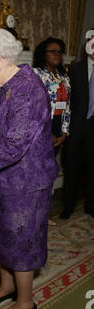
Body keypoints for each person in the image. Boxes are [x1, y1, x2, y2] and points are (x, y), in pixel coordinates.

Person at [0, 28, 59, 309]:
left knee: (21, 244)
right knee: (0, 235)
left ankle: (26, 302)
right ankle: (7, 287)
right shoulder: (5, 86)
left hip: (26, 183)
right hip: (3, 179)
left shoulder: (27, 91)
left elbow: (12, 146)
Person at [33, 37, 71, 225]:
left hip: (58, 126)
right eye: (52, 51)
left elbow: (67, 107)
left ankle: (44, 213)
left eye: (59, 51)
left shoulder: (63, 76)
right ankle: (34, 213)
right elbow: (34, 108)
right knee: (38, 172)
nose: (57, 54)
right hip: (41, 128)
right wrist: (47, 133)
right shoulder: (36, 74)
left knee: (49, 171)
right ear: (43, 54)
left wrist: (64, 132)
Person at [60, 29, 94, 219]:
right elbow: (67, 101)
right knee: (71, 168)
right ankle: (68, 205)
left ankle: (91, 205)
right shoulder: (75, 69)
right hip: (76, 126)